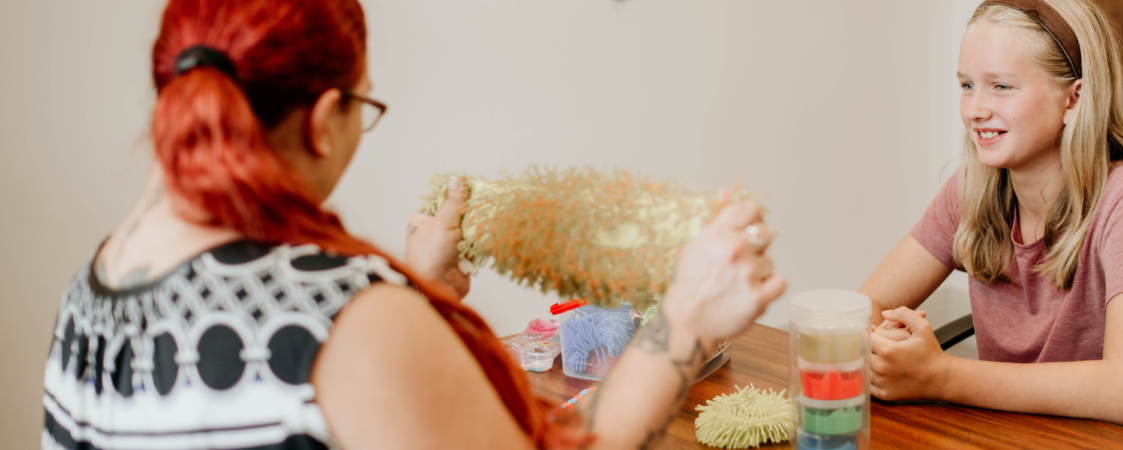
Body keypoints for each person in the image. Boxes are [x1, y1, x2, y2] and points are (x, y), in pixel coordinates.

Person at [39, 0, 786, 448]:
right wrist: (683, 322)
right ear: (327, 119)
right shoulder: (340, 319)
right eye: (365, 106)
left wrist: (417, 292)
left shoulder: (94, 284)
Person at [860, 0, 1123, 444]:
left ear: (1074, 98)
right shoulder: (974, 187)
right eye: (967, 85)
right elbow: (866, 305)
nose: (975, 110)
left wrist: (940, 376)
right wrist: (891, 354)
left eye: (1001, 86)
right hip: (1016, 436)